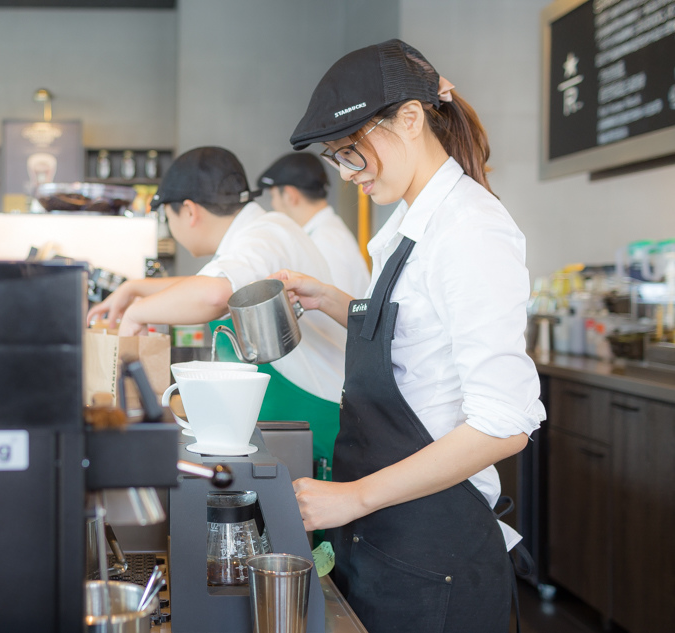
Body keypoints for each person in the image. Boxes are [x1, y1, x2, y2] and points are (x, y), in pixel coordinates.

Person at [274, 39, 545, 631]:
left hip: (435, 552)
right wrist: (334, 302)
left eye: (353, 153)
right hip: (389, 538)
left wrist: (356, 496)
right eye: (339, 160)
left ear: (412, 118)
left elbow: (505, 425)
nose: (349, 176)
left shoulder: (471, 229)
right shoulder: (408, 226)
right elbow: (419, 345)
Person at [86, 147, 346, 463]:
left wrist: (137, 311)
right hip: (296, 418)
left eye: (168, 217)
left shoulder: (262, 236)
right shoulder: (261, 231)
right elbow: (212, 283)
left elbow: (215, 294)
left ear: (190, 211)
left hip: (313, 424)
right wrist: (134, 288)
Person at [257, 152, 370, 298]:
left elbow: (339, 313)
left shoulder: (325, 240)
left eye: (273, 196)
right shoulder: (324, 233)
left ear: (290, 195)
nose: (273, 204)